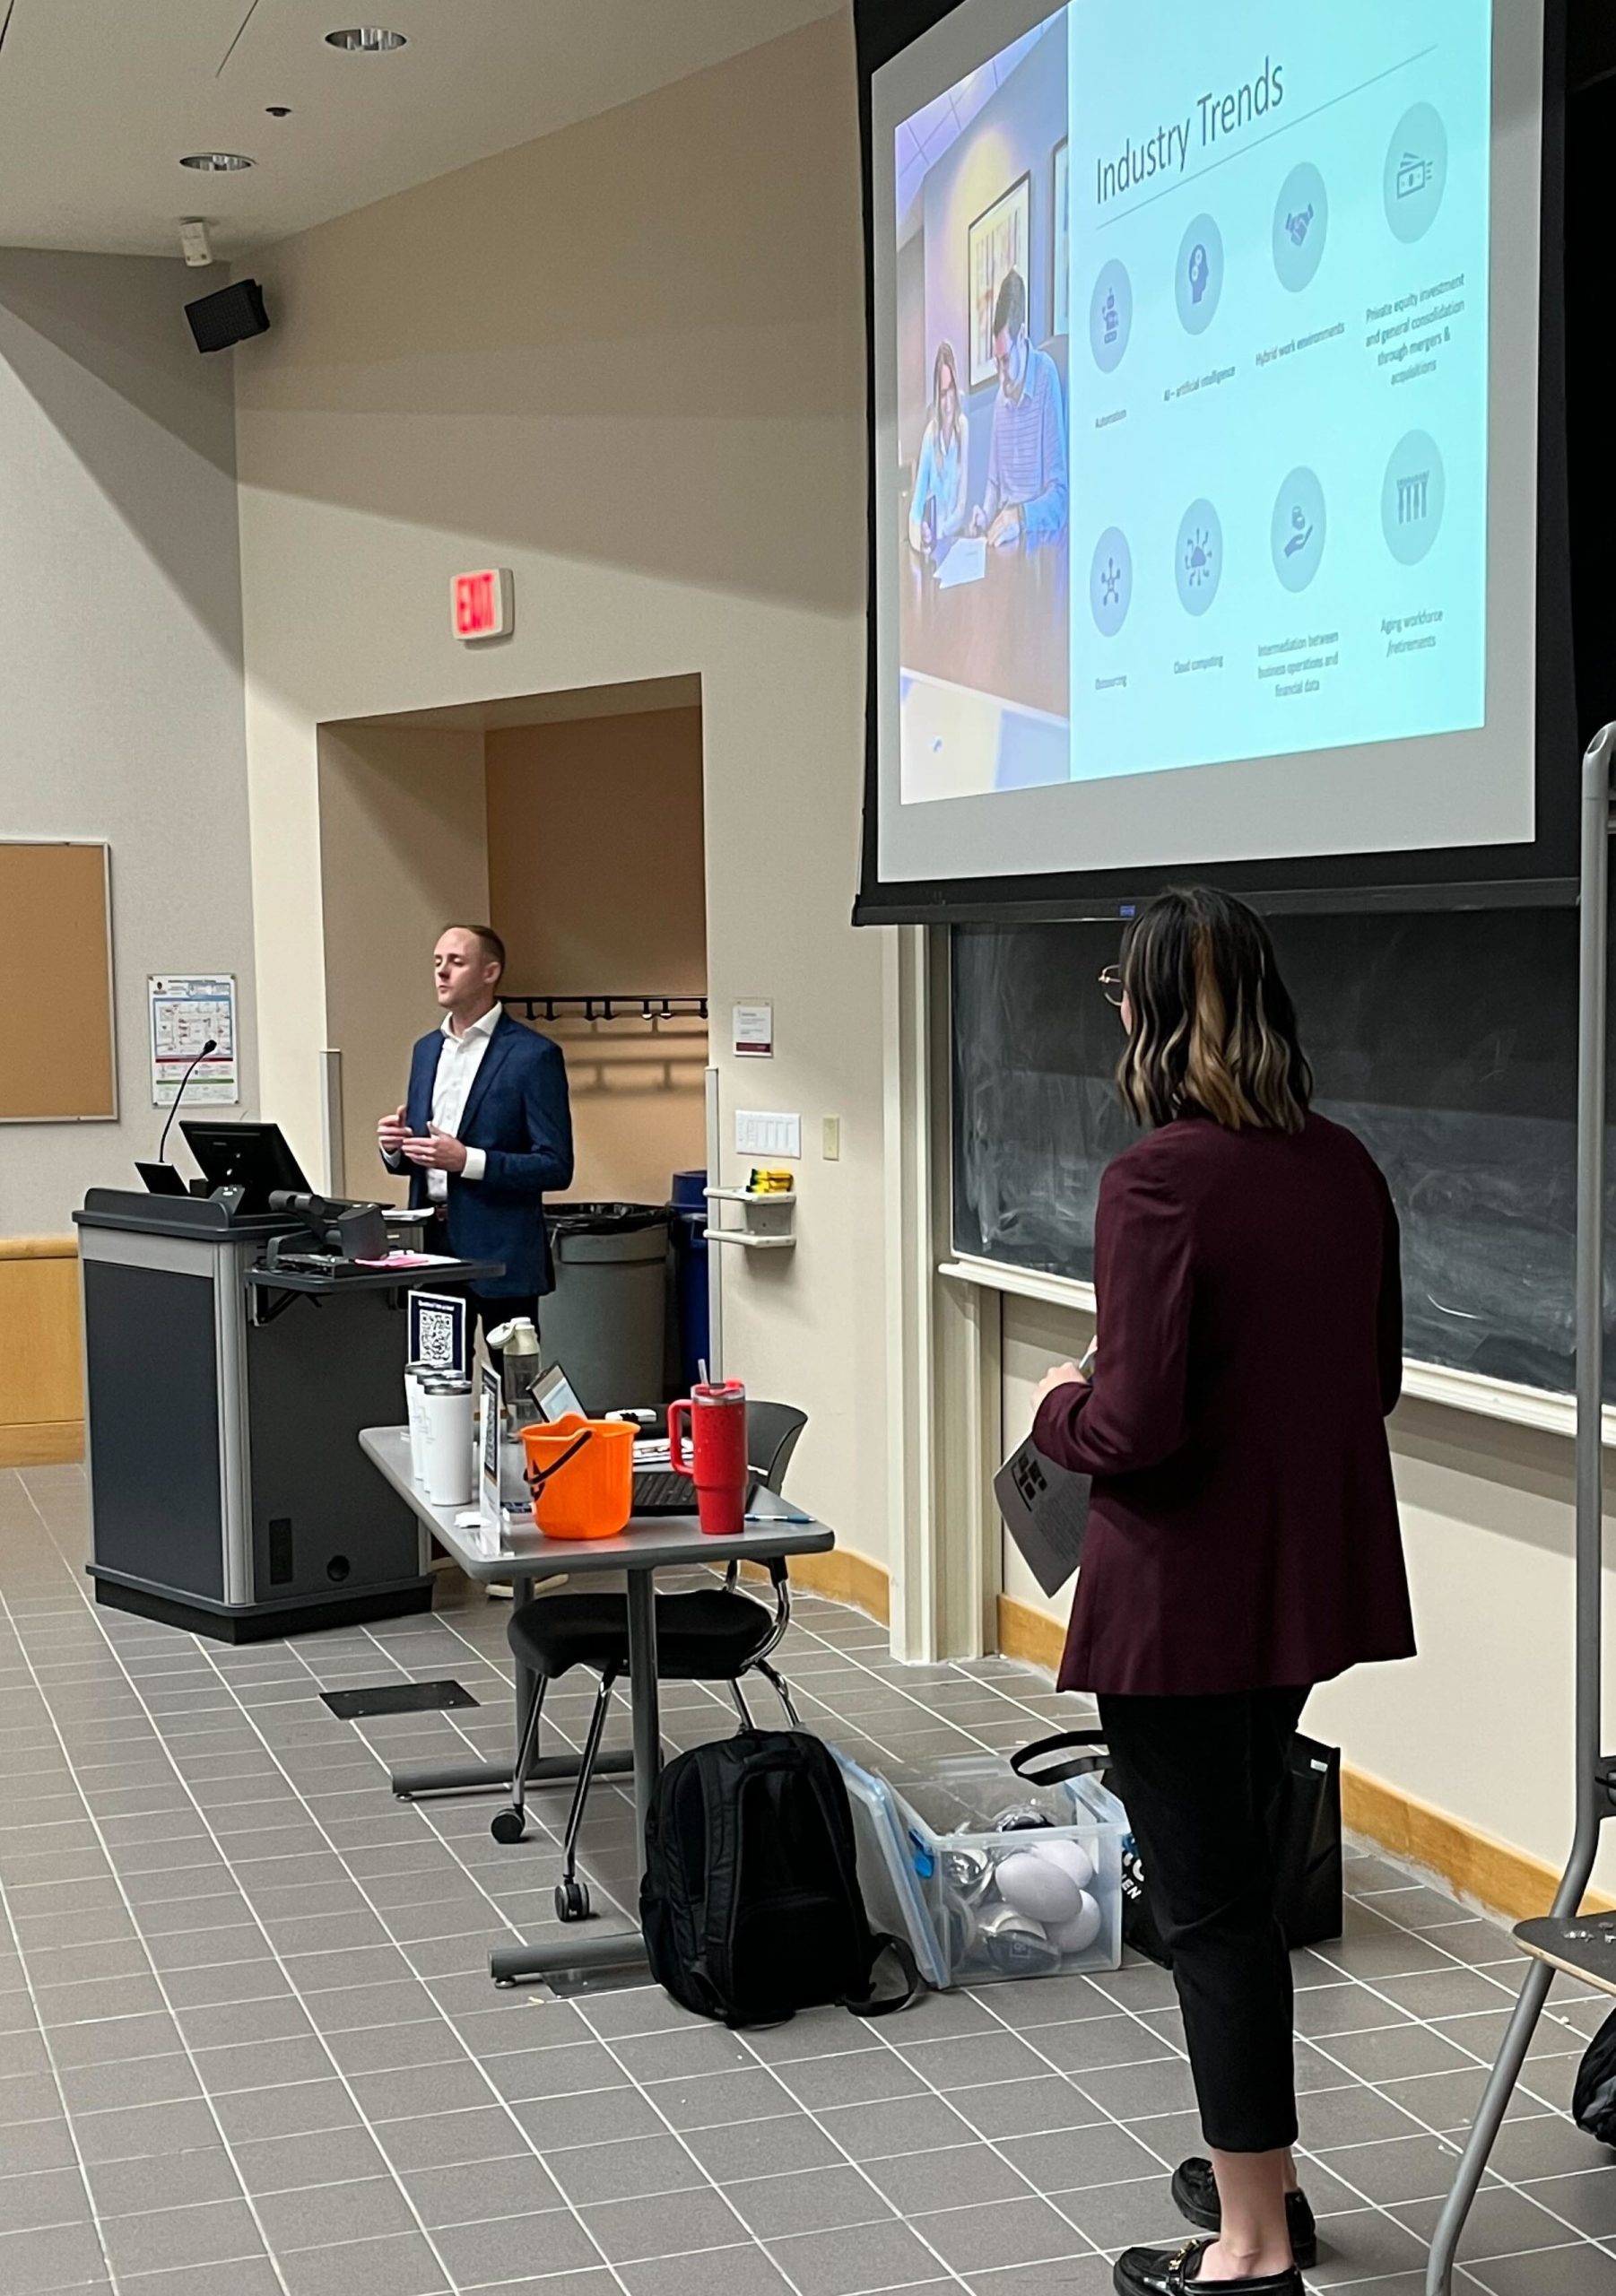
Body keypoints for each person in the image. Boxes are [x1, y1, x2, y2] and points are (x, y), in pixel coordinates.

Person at [1030, 889, 1414, 2296]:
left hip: (1179, 1604)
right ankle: (1268, 2182)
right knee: (1239, 1888)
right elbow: (1371, 1381)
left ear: (1149, 1011)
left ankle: (1248, 2248)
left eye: (1118, 990)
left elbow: (1130, 1428)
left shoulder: (1157, 1180)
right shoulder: (1343, 1164)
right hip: (1294, 1591)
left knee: (1209, 1912)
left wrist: (1058, 1403)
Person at [378, 925, 573, 1350]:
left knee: (515, 1377)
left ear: (490, 972)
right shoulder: (426, 1050)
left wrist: (467, 1160)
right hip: (431, 1248)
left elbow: (556, 1166)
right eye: (437, 962)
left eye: (456, 962)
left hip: (503, 1253)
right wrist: (395, 1148)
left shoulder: (533, 1055)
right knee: (435, 1376)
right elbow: (426, 1157)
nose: (441, 972)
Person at [971, 266, 1067, 548]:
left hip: (1036, 538)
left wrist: (1020, 516)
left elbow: (1059, 497)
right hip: (1005, 538)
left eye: (1005, 360)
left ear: (1022, 335)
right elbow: (994, 484)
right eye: (997, 362)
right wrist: (984, 514)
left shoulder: (1045, 375)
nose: (1001, 377)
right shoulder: (1000, 399)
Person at [908, 340, 970, 557]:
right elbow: (916, 508)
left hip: (955, 539)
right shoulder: (930, 435)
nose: (948, 401)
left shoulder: (963, 428)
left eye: (951, 389)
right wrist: (920, 536)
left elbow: (961, 507)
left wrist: (940, 532)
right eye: (943, 393)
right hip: (934, 547)